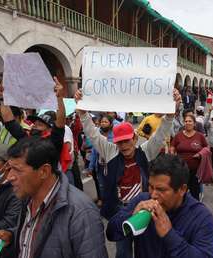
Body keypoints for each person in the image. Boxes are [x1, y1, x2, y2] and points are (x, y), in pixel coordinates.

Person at [75, 88, 181, 258]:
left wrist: (170, 113)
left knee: (146, 250)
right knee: (123, 252)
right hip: (121, 211)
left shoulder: (146, 151)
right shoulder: (110, 151)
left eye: (126, 141)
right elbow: (93, 135)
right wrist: (83, 113)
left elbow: (160, 135)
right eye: (119, 142)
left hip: (145, 210)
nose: (123, 146)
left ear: (134, 139)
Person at [0, 136, 108, 258]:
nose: (10, 177)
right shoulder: (27, 196)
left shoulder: (81, 212)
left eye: (17, 170)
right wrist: (12, 235)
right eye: (10, 169)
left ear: (44, 171)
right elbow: (37, 233)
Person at [106, 154, 213, 258]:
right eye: (150, 186)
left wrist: (169, 235)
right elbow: (111, 234)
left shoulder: (202, 217)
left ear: (182, 189)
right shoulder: (142, 200)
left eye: (161, 189)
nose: (153, 195)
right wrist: (130, 216)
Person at [170, 114, 208, 200]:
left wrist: (200, 153)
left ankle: (194, 210)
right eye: (186, 121)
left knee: (195, 193)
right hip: (181, 170)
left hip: (195, 171)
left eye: (190, 121)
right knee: (180, 193)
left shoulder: (200, 136)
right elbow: (172, 146)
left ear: (194, 124)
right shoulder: (178, 135)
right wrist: (172, 152)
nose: (187, 123)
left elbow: (207, 148)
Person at [88, 114, 114, 206]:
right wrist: (91, 167)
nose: (103, 124)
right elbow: (94, 152)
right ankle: (103, 200)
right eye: (102, 122)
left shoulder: (114, 135)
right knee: (101, 185)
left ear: (111, 124)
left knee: (112, 184)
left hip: (112, 165)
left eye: (105, 122)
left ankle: (112, 202)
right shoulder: (97, 135)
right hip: (100, 165)